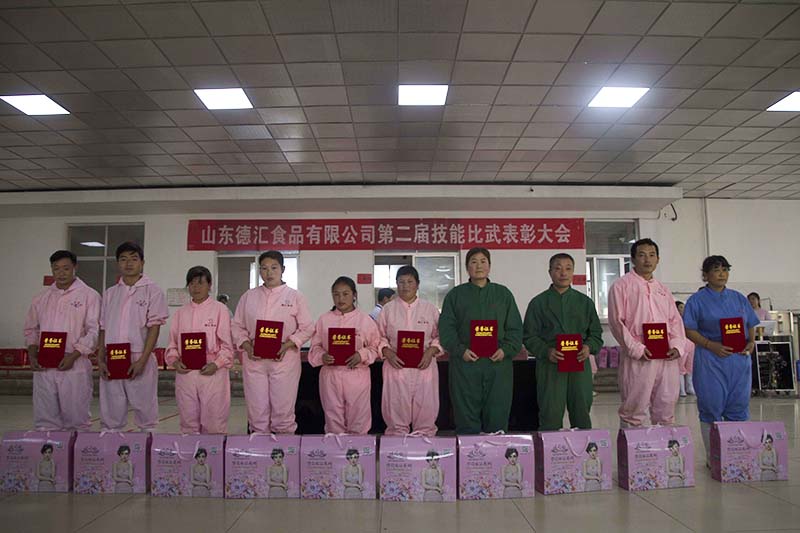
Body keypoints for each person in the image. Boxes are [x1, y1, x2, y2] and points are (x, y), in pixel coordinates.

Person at [683, 255, 758, 464]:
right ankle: (714, 457)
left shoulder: (739, 298)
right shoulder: (696, 301)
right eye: (716, 270)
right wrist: (710, 345)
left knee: (738, 406)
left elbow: (750, 323)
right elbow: (689, 329)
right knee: (711, 407)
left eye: (725, 269)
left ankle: (736, 455)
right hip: (711, 360)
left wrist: (751, 342)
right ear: (705, 275)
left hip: (739, 360)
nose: (722, 274)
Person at [438, 247, 523, 434]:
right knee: (466, 416)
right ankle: (470, 452)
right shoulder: (455, 296)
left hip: (498, 366)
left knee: (497, 415)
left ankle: (496, 450)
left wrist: (506, 350)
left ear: (489, 266)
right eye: (473, 262)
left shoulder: (503, 294)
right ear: (467, 267)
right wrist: (460, 350)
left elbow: (516, 329)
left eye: (483, 261)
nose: (479, 266)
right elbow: (446, 330)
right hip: (465, 366)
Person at [232, 251, 314, 435]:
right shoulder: (249, 297)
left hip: (284, 360)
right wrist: (246, 345)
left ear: (283, 269)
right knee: (257, 413)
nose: (269, 273)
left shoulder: (295, 296)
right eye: (264, 268)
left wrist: (287, 345)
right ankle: (259, 448)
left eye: (274, 268)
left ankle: (284, 448)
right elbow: (236, 326)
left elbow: (307, 328)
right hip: (254, 360)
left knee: (283, 412)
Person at [608, 238, 687, 428]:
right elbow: (617, 322)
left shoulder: (662, 289)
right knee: (634, 408)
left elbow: (675, 321)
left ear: (658, 259)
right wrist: (636, 348)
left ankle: (663, 445)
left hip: (666, 355)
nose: (647, 260)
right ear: (633, 259)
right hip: (639, 355)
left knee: (666, 406)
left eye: (652, 255)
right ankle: (635, 447)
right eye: (642, 255)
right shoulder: (621, 286)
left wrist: (677, 345)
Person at [523, 253, 603, 430]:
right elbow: (529, 336)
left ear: (573, 272)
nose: (563, 273)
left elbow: (596, 334)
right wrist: (546, 351)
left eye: (568, 268)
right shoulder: (538, 303)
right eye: (558, 268)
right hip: (550, 365)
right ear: (550, 272)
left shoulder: (585, 303)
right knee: (550, 413)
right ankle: (551, 448)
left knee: (582, 412)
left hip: (579, 362)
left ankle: (583, 447)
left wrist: (588, 347)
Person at [24, 250, 100, 431]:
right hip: (44, 365)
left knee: (77, 419)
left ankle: (76, 448)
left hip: (75, 364)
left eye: (66, 268)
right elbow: (31, 329)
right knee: (45, 419)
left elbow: (94, 330)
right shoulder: (41, 298)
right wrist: (33, 355)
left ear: (75, 267)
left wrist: (73, 356)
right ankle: (49, 447)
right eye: (56, 268)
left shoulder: (89, 296)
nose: (61, 273)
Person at [97, 242, 168, 431]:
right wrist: (101, 358)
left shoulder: (153, 291)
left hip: (139, 356)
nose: (128, 263)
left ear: (142, 263)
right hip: (112, 357)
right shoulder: (110, 293)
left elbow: (154, 327)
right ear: (118, 263)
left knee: (145, 411)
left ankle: (147, 445)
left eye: (134, 259)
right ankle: (111, 444)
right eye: (123, 259)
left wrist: (143, 360)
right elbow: (103, 327)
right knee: (111, 412)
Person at [165, 266, 234, 434]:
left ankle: (213, 450)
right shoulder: (180, 313)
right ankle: (191, 450)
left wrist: (216, 364)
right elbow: (172, 345)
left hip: (212, 372)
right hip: (186, 373)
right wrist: (175, 361)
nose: (195, 287)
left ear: (209, 285)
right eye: (192, 283)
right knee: (188, 420)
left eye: (200, 283)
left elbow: (227, 345)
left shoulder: (220, 310)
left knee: (214, 421)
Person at [308, 276, 380, 434]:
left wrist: (361, 355)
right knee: (333, 417)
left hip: (357, 376)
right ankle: (336, 448)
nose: (340, 299)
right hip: (330, 375)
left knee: (358, 417)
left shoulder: (365, 320)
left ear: (354, 295)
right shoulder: (324, 320)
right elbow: (315, 347)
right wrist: (322, 356)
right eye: (336, 294)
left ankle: (358, 448)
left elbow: (375, 347)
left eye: (345, 294)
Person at [376, 265, 442, 436]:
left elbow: (440, 336)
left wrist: (431, 350)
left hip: (424, 368)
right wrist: (387, 351)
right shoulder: (388, 310)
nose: (405, 286)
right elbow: (378, 337)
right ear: (396, 284)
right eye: (401, 282)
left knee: (426, 412)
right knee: (396, 413)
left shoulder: (430, 309)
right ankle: (396, 450)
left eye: (410, 282)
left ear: (417, 284)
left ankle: (425, 448)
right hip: (396, 368)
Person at [675, 301, 696, 397]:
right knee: (680, 366)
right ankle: (681, 389)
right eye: (681, 307)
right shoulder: (675, 320)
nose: (683, 309)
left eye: (684, 307)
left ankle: (689, 386)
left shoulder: (688, 319)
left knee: (689, 366)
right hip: (681, 344)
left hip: (690, 344)